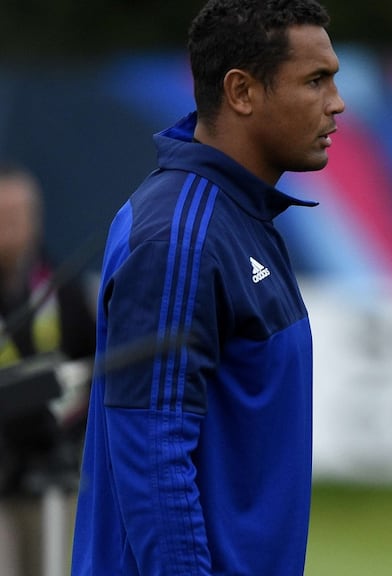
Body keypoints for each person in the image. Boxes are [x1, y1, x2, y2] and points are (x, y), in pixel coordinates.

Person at [70, 0, 345, 574]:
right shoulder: (182, 236)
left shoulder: (235, 215)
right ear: (242, 92)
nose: (336, 103)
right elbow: (154, 455)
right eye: (315, 80)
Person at [0, 162, 96, 576]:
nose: (9, 227)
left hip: (54, 475)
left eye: (17, 216)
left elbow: (94, 368)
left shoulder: (62, 286)